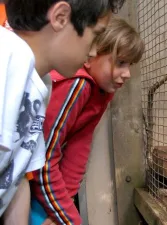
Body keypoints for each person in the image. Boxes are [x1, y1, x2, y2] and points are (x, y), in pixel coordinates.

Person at [0, 0, 125, 224]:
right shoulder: (6, 58)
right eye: (95, 35)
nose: (94, 51)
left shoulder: (41, 84)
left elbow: (15, 177)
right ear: (60, 17)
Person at [29, 16, 145, 225]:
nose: (127, 74)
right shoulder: (77, 85)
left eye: (130, 64)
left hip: (38, 176)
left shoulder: (100, 92)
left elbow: (79, 146)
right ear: (91, 54)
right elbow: (44, 157)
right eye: (120, 62)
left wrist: (65, 208)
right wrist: (68, 218)